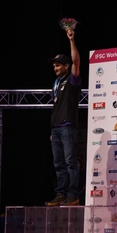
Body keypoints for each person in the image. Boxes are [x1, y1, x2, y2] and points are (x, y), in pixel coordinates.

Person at [45, 28, 81, 206]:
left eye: (58, 65)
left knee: (70, 162)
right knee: (58, 164)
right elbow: (56, 105)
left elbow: (76, 60)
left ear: (66, 66)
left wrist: (72, 40)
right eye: (54, 66)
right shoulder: (56, 83)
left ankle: (72, 194)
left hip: (67, 126)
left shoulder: (72, 79)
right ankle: (60, 194)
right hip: (56, 128)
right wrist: (52, 128)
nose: (55, 68)